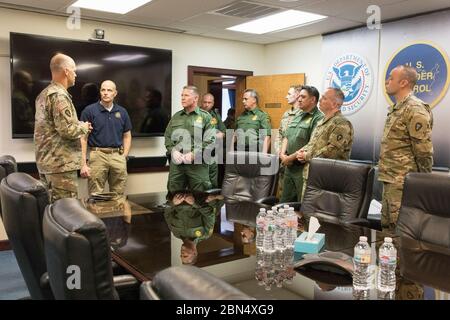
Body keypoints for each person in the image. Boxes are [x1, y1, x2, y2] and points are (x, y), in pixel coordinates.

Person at [378, 64, 433, 232]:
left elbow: (423, 150)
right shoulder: (397, 108)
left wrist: (422, 182)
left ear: (403, 83)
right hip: (390, 180)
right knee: (386, 229)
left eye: (391, 78)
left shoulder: (415, 109)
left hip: (404, 183)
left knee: (401, 231)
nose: (387, 81)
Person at [34, 53, 92, 203]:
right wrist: (84, 127)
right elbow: (67, 130)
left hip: (48, 163)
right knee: (65, 212)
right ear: (66, 71)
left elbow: (52, 127)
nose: (76, 74)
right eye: (74, 70)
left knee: (52, 212)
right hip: (61, 165)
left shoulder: (44, 94)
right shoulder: (59, 96)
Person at [296, 87, 354, 195]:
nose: (320, 100)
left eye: (324, 98)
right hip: (312, 176)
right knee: (306, 210)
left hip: (327, 181)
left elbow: (332, 151)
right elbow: (312, 143)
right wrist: (301, 153)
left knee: (320, 211)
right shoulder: (322, 121)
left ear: (335, 104)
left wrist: (307, 156)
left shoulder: (341, 123)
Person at [80, 80, 132, 195]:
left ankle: (117, 213)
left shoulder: (122, 112)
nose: (105, 93)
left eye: (109, 90)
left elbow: (127, 135)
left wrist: (124, 156)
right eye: (103, 90)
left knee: (118, 195)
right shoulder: (89, 111)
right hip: (97, 155)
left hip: (117, 155)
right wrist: (83, 164)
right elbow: (83, 139)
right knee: (96, 195)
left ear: (115, 93)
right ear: (100, 92)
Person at [164, 86, 215, 192]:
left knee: (201, 200)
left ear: (196, 98)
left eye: (186, 95)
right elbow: (168, 136)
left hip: (197, 166)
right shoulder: (176, 116)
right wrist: (173, 151)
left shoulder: (206, 117)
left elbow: (210, 140)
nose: (182, 98)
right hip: (177, 166)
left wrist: (193, 154)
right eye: (182, 95)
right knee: (174, 197)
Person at [279, 86, 323, 202]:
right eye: (299, 97)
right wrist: (282, 154)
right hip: (289, 167)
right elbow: (286, 136)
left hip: (303, 168)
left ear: (313, 100)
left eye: (303, 97)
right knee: (285, 203)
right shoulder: (298, 114)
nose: (299, 100)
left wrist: (290, 158)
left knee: (302, 204)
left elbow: (312, 144)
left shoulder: (318, 118)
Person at [164, 191, 223, 265]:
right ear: (195, 253)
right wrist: (194, 203)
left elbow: (167, 214)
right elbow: (210, 215)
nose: (182, 253)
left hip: (176, 192)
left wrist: (173, 203)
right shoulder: (205, 234)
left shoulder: (176, 233)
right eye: (185, 256)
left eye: (181, 255)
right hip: (198, 194)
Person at [275, 84, 303, 199]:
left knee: (299, 196)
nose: (286, 97)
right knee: (283, 194)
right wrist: (280, 154)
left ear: (297, 95)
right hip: (283, 160)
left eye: (289, 94)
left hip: (297, 162)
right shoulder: (286, 114)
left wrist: (290, 157)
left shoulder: (304, 114)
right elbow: (279, 135)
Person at [200, 93, 226, 188]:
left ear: (213, 103)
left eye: (209, 102)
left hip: (214, 152)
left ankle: (212, 200)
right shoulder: (197, 114)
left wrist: (220, 134)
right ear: (201, 102)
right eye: (205, 102)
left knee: (213, 179)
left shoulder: (215, 115)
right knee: (201, 180)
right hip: (201, 152)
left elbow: (223, 131)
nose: (207, 104)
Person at [233, 89, 271, 153]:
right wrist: (230, 151)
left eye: (246, 99)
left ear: (254, 100)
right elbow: (235, 135)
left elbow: (267, 137)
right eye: (243, 99)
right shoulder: (241, 116)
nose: (243, 101)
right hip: (239, 151)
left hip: (255, 152)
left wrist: (263, 155)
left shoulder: (262, 116)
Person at [12, 70, 35, 134]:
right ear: (21, 83)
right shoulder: (18, 99)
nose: (31, 85)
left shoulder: (22, 97)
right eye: (29, 82)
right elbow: (23, 125)